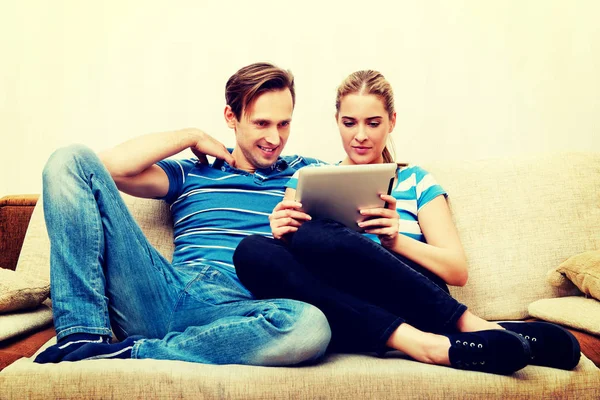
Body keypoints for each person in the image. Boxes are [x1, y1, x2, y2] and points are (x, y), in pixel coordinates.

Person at [233, 70, 581, 375]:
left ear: (392, 121)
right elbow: (291, 262)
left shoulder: (416, 181)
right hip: (346, 310)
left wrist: (395, 240)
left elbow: (457, 271)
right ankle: (439, 342)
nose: (361, 136)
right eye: (349, 123)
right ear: (336, 120)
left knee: (316, 236)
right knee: (254, 251)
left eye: (373, 123)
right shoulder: (311, 179)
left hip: (415, 299)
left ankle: (465, 326)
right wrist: (282, 231)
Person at [34, 62, 332, 365]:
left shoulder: (308, 175)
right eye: (262, 124)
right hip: (164, 291)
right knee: (68, 159)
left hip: (238, 311)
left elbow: (355, 227)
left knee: (310, 326)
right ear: (231, 116)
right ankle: (81, 339)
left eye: (284, 124)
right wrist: (189, 136)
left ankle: (134, 352)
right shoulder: (193, 172)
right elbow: (108, 168)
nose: (274, 138)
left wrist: (385, 237)